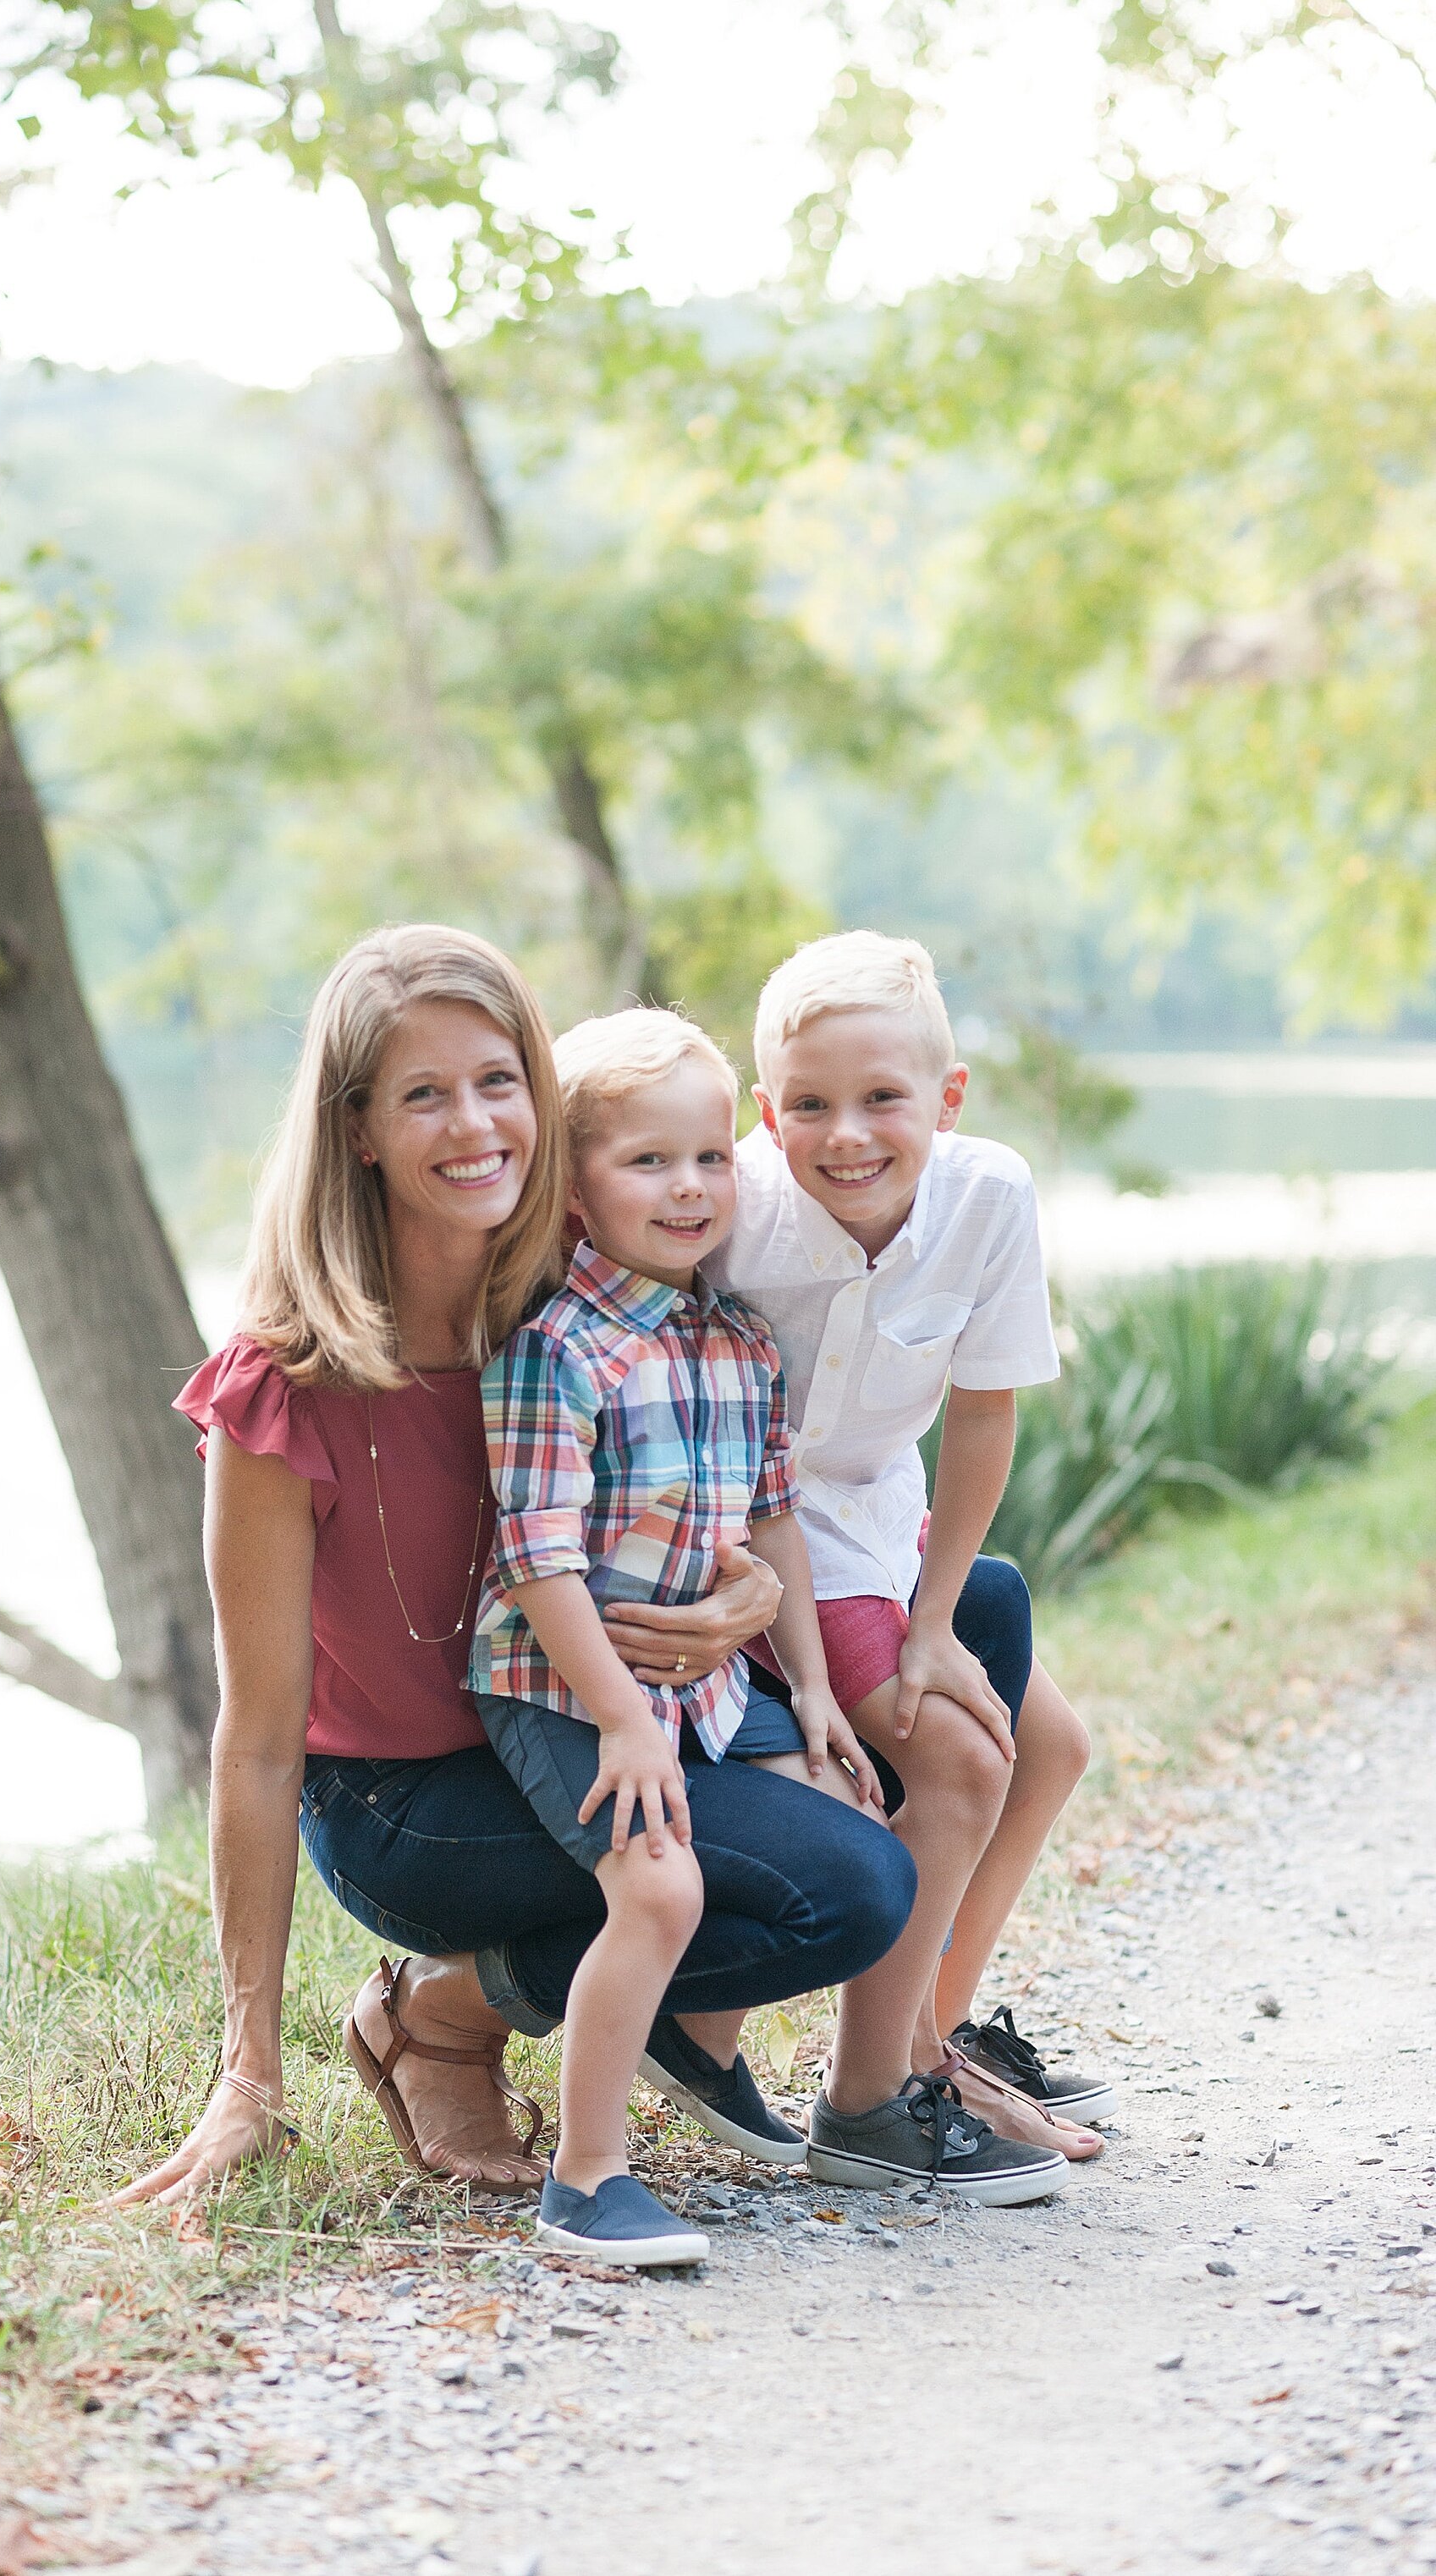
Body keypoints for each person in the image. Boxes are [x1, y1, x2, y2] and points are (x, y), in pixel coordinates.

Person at [113, 925, 918, 2211]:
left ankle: (917, 2060)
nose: (474, 1122)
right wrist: (244, 2072)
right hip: (411, 1802)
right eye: (423, 1093)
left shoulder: (578, 1293)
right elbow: (259, 1743)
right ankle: (439, 2007)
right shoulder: (284, 1384)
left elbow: (709, 1480)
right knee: (845, 1885)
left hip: (583, 1708)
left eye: (498, 1080)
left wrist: (749, 1600)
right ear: (361, 1128)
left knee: (960, 1612)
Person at [467, 1011, 887, 2263]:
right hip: (561, 1682)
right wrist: (618, 1716)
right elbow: (533, 1555)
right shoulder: (558, 1352)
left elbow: (775, 1519)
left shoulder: (739, 1340)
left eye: (711, 1157)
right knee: (658, 1886)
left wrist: (810, 1688)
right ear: (576, 1184)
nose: (690, 1187)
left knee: (850, 1815)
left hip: (701, 1685)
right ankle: (587, 2178)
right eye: (648, 1161)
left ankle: (700, 2044)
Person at [707, 928, 1114, 2193]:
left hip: (885, 1520)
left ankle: (930, 2034)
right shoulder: (729, 1209)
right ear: (765, 1111)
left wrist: (935, 1618)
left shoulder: (988, 1197)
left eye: (884, 1098)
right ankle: (867, 2099)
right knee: (958, 1753)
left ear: (946, 1098)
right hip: (766, 1532)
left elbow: (983, 1414)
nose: (847, 1135)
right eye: (810, 1104)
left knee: (1051, 1747)